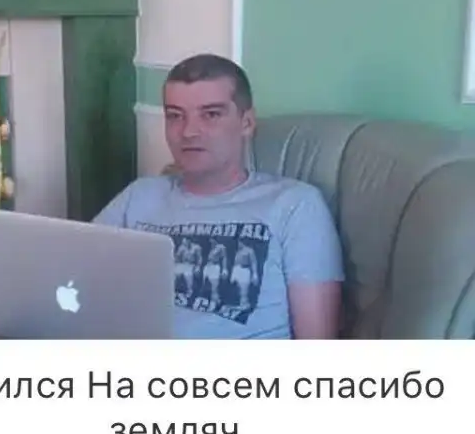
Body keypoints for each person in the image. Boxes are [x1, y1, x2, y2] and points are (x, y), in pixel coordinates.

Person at [93, 53, 344, 339]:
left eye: (211, 114)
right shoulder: (139, 196)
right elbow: (75, 279)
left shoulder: (294, 205)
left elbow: (317, 344)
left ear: (246, 123)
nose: (189, 132)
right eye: (175, 116)